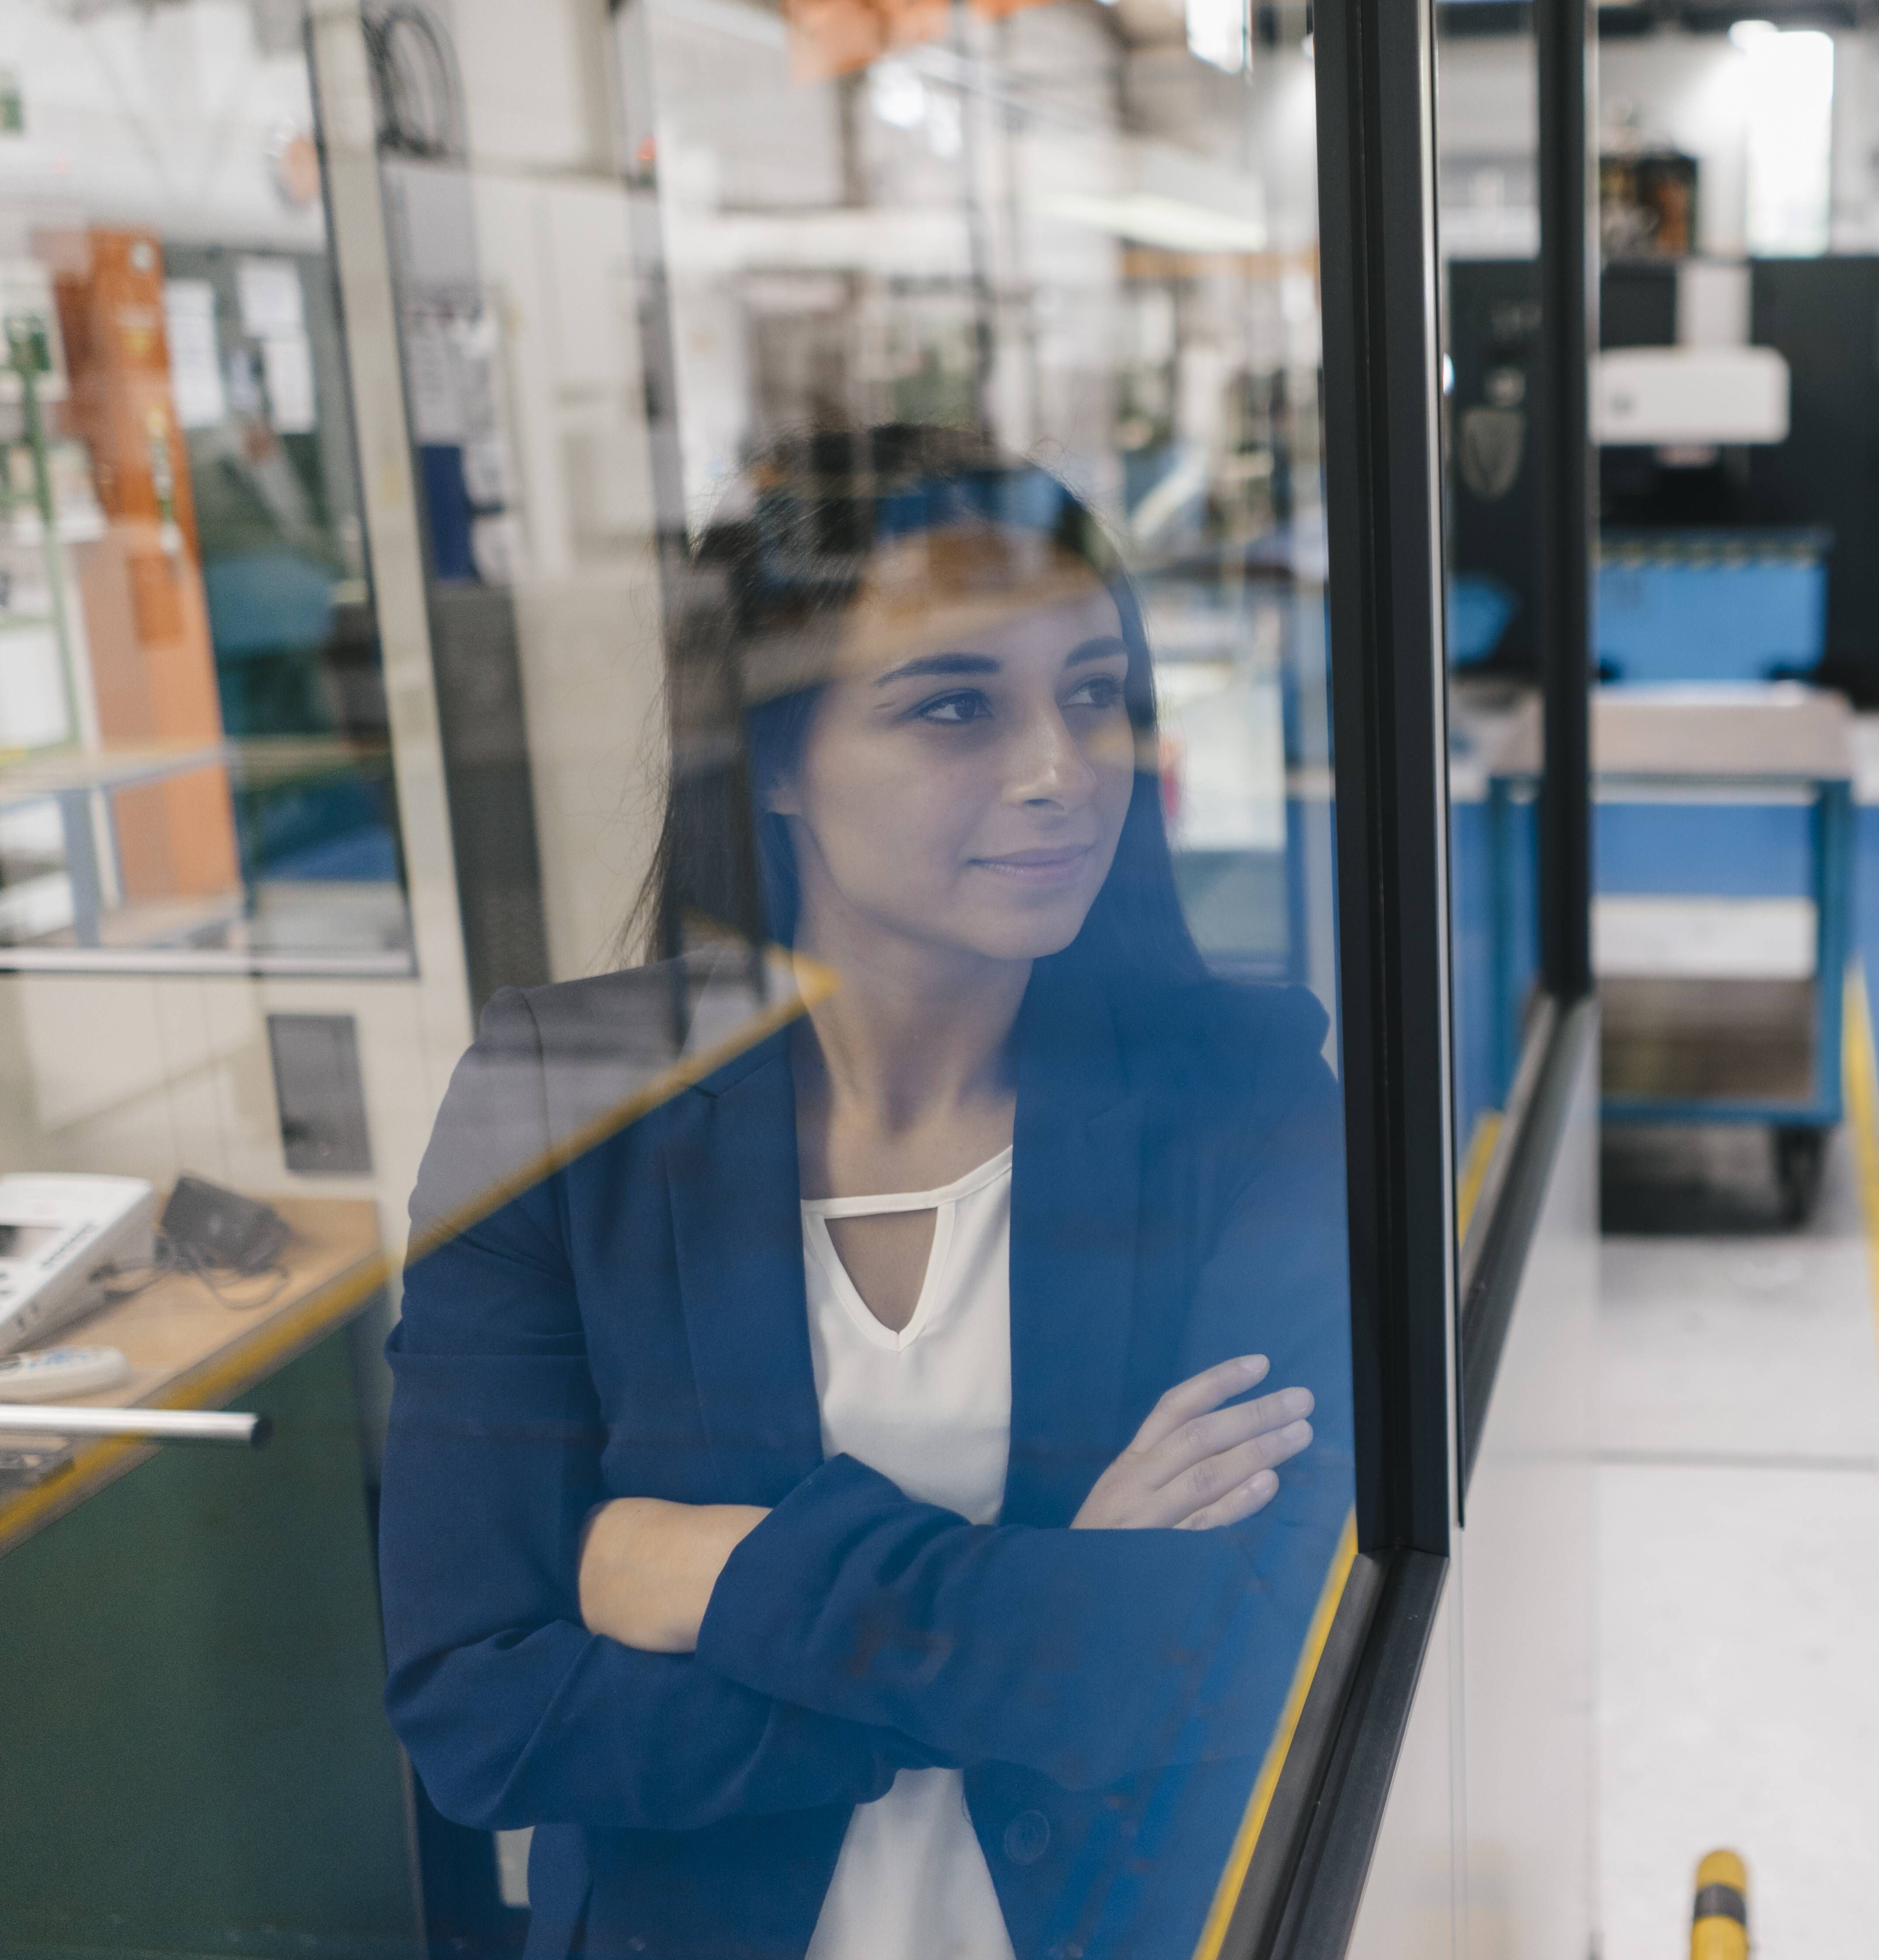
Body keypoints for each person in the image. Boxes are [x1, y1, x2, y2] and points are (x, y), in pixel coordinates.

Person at [378, 428, 1349, 1960]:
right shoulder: (566, 1104)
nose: (1059, 772)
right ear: (771, 758)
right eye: (955, 705)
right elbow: (485, 1715)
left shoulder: (1247, 1100)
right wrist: (1044, 1612)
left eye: (1094, 695)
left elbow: (1238, 1654)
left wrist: (727, 1573)